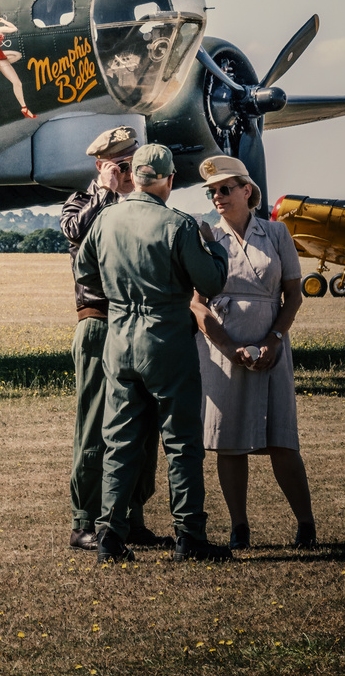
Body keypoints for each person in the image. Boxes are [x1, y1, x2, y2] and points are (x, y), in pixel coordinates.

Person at [75, 143, 233, 562]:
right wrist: (212, 245)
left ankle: (109, 534)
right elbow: (213, 281)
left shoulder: (107, 218)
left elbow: (85, 271)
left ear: (136, 174)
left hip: (119, 339)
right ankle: (189, 536)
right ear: (168, 180)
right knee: (181, 442)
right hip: (166, 339)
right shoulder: (179, 225)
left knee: (120, 441)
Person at [190, 155, 317, 549]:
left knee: (282, 438)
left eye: (225, 189)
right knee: (229, 441)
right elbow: (196, 303)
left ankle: (306, 524)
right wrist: (229, 349)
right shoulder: (207, 237)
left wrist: (274, 340)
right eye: (212, 192)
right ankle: (239, 527)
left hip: (272, 347)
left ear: (248, 191)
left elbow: (293, 295)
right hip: (222, 348)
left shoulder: (278, 234)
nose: (218, 197)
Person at [59, 126, 165, 551]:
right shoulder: (82, 202)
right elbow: (74, 234)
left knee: (141, 424)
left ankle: (130, 515)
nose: (130, 171)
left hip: (137, 322)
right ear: (102, 166)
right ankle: (85, 519)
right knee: (96, 424)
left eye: (133, 163)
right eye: (122, 165)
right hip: (100, 322)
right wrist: (104, 193)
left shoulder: (140, 206)